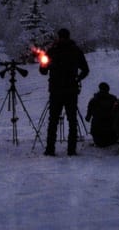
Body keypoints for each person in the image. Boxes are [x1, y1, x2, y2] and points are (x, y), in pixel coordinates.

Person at [39, 28, 89, 156]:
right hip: (71, 90)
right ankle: (71, 150)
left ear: (58, 36)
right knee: (72, 120)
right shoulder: (75, 51)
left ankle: (50, 149)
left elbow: (43, 71)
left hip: (56, 90)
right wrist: (78, 78)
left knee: (53, 120)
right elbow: (86, 70)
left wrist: (45, 64)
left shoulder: (52, 51)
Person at [85, 82, 118, 148]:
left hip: (97, 135)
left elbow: (87, 118)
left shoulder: (93, 100)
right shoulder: (113, 99)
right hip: (112, 135)